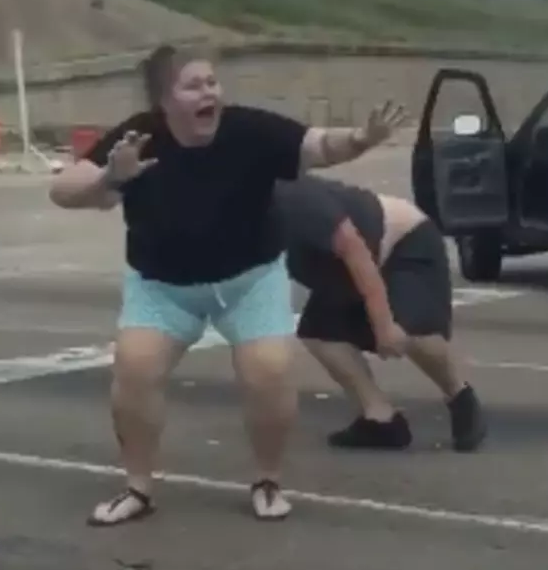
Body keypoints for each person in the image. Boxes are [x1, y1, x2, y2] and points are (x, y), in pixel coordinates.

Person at [49, 45, 411, 526]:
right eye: (193, 85)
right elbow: (62, 190)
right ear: (164, 99)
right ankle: (137, 487)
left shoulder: (249, 129)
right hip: (162, 288)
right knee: (134, 369)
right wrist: (109, 180)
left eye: (212, 82)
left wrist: (362, 138)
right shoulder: (137, 139)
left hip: (249, 281)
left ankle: (267, 479)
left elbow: (318, 145)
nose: (209, 93)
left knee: (269, 370)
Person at [273, 174, 485, 451]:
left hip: (402, 242)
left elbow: (355, 251)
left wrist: (383, 324)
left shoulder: (294, 198)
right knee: (318, 333)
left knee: (409, 332)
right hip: (339, 270)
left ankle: (459, 395)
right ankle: (381, 419)